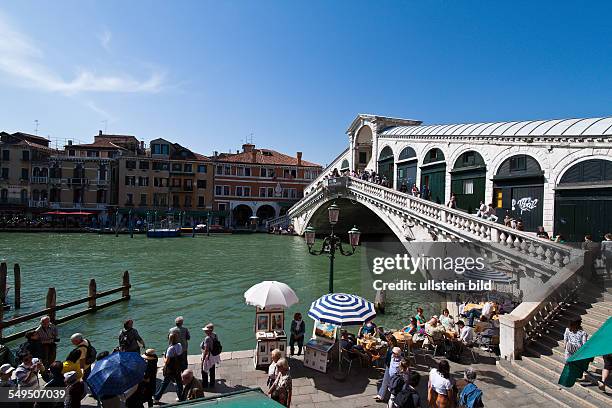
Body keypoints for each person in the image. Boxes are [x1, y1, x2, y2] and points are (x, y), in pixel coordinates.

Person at [154, 332, 183, 403]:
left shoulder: (170, 349)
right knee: (179, 382)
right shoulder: (179, 345)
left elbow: (166, 361)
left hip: (170, 369)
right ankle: (181, 397)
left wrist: (164, 356)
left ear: (170, 339)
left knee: (164, 384)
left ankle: (157, 398)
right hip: (177, 368)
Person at [200, 323, 221, 389]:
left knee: (204, 370)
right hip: (213, 355)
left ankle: (205, 384)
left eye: (206, 330)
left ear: (210, 330)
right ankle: (212, 384)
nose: (205, 331)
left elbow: (206, 350)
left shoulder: (207, 338)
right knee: (212, 369)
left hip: (208, 356)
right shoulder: (215, 335)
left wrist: (203, 360)